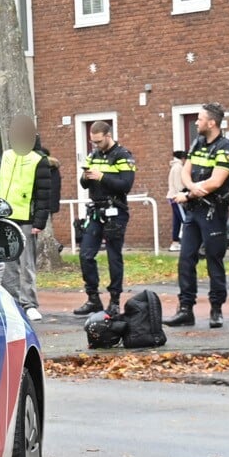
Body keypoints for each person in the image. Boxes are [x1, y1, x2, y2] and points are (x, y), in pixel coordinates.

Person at [0, 116, 61, 323]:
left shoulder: (37, 160)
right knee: (9, 263)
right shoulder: (7, 156)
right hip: (5, 218)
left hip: (26, 219)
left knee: (27, 263)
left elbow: (44, 194)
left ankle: (29, 303)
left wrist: (39, 222)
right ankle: (11, 301)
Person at [165, 104, 229, 328]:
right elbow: (186, 171)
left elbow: (217, 182)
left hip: (213, 212)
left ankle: (216, 309)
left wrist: (190, 194)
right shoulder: (197, 143)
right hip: (194, 211)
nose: (196, 123)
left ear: (212, 123)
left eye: (199, 119)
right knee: (186, 259)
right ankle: (186, 308)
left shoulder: (227, 148)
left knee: (214, 261)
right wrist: (191, 189)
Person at [72, 120, 136, 316]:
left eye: (99, 142)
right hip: (95, 211)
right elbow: (84, 184)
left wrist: (101, 177)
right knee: (85, 255)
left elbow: (125, 185)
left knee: (113, 257)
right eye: (93, 142)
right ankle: (93, 298)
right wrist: (85, 177)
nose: (96, 146)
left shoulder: (123, 155)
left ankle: (115, 300)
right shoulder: (94, 155)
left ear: (108, 136)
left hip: (115, 211)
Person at [166, 152, 186, 252]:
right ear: (183, 158)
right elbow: (179, 185)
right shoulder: (179, 167)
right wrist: (183, 194)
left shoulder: (175, 166)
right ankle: (187, 242)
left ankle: (175, 243)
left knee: (177, 221)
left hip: (172, 196)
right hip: (177, 197)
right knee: (185, 220)